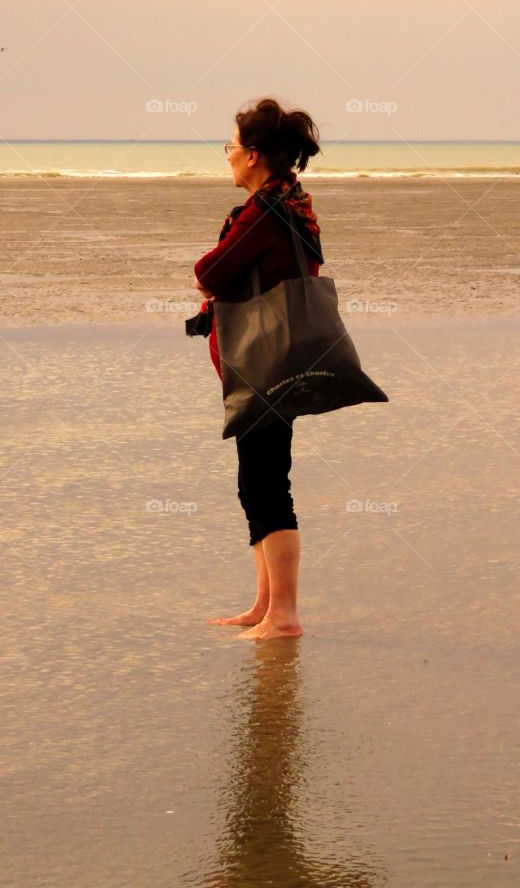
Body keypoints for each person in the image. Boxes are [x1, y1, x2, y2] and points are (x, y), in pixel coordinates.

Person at [188, 97, 324, 641]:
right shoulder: (288, 204)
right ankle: (265, 605)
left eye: (232, 148)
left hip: (266, 363)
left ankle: (285, 615)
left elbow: (211, 270)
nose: (228, 158)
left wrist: (208, 279)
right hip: (272, 359)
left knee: (268, 485)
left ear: (253, 156)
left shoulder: (267, 212)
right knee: (255, 483)